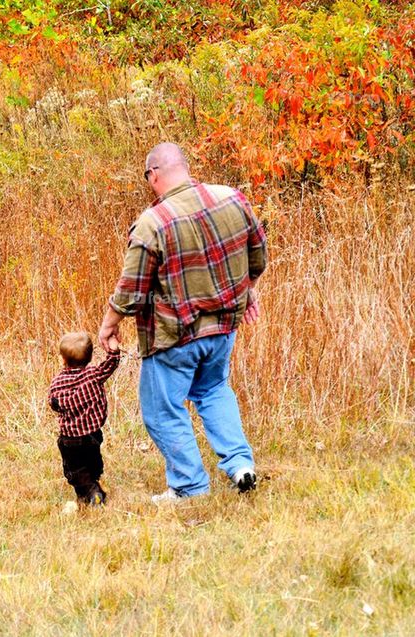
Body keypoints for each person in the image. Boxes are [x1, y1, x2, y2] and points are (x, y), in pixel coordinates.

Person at [97, 142, 268, 504]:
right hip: (223, 329)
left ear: (154, 174)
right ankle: (240, 466)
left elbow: (132, 291)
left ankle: (190, 487)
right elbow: (258, 257)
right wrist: (248, 291)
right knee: (213, 390)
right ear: (185, 168)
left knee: (163, 411)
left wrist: (108, 324)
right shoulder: (232, 199)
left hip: (175, 338)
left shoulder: (152, 224)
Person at [48, 332, 121, 506]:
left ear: (63, 360)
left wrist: (63, 403)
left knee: (75, 469)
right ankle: (91, 486)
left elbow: (54, 404)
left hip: (70, 438)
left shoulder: (57, 382)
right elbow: (111, 363)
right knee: (92, 462)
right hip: (93, 434)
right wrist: (113, 347)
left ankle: (92, 493)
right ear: (89, 357)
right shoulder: (94, 375)